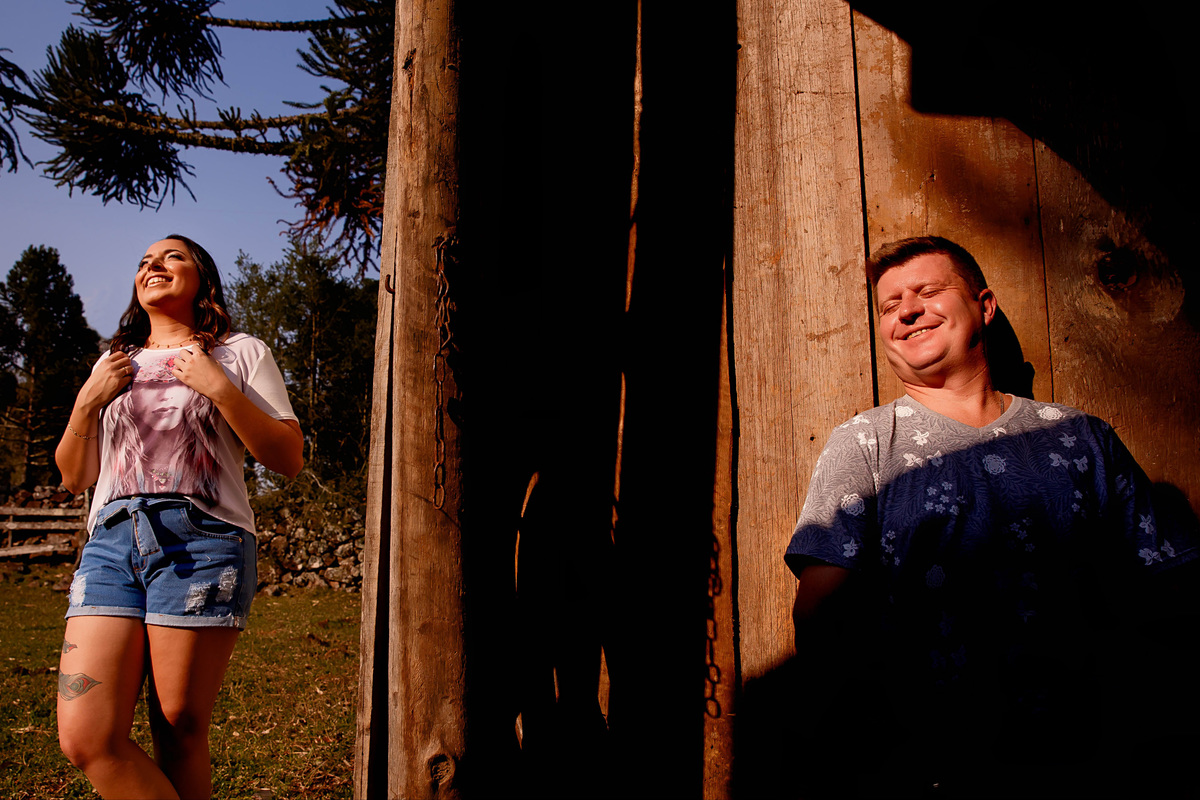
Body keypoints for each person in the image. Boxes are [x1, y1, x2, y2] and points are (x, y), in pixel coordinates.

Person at [785, 236, 1197, 796]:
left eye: (928, 291)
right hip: (930, 765)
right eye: (889, 306)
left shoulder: (1080, 437)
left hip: (1088, 756)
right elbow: (822, 620)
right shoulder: (865, 444)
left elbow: (1171, 589)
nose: (907, 311)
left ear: (984, 305)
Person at [55, 235, 303, 800]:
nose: (154, 265)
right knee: (86, 738)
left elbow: (288, 458)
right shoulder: (112, 363)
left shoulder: (239, 352)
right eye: (145, 261)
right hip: (111, 542)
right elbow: (74, 476)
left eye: (172, 256)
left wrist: (220, 389)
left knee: (179, 726)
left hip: (203, 539)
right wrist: (87, 401)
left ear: (202, 279)